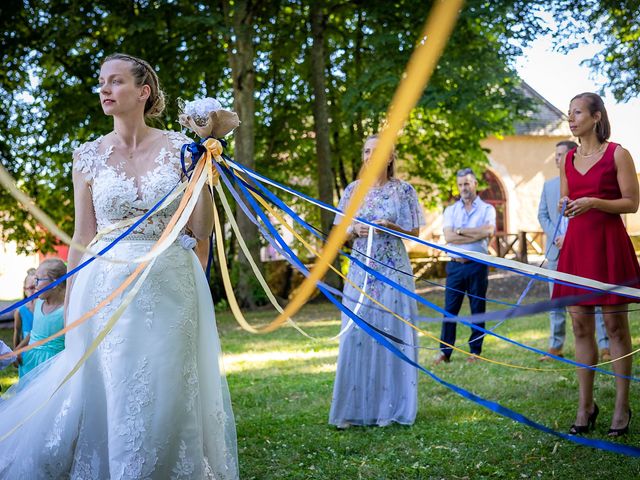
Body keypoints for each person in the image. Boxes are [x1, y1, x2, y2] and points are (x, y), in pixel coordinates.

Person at [0, 53, 238, 477]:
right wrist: (72, 303)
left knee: (168, 381)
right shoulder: (88, 156)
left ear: (143, 92)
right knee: (114, 382)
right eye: (101, 83)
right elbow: (81, 235)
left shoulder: (183, 149)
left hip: (169, 282)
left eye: (115, 82)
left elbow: (200, 230)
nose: (105, 90)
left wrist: (204, 168)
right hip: (105, 286)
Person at [553, 92, 640, 437]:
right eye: (568, 113)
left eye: (576, 113)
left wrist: (594, 202)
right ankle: (585, 405)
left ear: (596, 116)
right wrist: (566, 203)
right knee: (580, 328)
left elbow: (632, 203)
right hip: (577, 249)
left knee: (616, 328)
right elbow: (566, 198)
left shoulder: (619, 153)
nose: (571, 119)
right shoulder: (568, 159)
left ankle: (622, 405)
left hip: (608, 247)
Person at [329, 134, 425, 429]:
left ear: (389, 157)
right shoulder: (352, 191)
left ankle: (390, 408)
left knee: (390, 330)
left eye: (377, 151)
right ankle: (354, 408)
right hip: (361, 272)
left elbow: (415, 232)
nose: (371, 156)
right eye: (366, 151)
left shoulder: (404, 191)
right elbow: (339, 231)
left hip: (394, 270)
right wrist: (353, 230)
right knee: (357, 333)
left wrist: (392, 226)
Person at [537, 141, 610, 362]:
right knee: (556, 302)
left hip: (582, 250)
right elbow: (543, 215)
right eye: (555, 155)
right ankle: (555, 345)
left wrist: (569, 238)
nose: (557, 159)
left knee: (594, 298)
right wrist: (556, 236)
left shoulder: (584, 184)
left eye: (561, 155)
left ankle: (605, 345)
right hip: (556, 253)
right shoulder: (549, 186)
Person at [435, 168, 496, 365]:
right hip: (455, 267)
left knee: (478, 308)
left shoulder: (487, 209)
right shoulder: (450, 210)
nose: (463, 188)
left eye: (467, 184)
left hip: (477, 266)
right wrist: (474, 233)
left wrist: (460, 231)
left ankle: (475, 351)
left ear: (475, 184)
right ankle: (445, 352)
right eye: (460, 184)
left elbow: (488, 231)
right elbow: (449, 237)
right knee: (449, 310)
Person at [15, 259, 66, 377]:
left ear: (55, 283)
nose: (35, 286)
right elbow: (33, 333)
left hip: (53, 365)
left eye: (38, 280)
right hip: (30, 362)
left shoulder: (65, 310)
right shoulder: (37, 304)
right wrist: (18, 349)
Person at [12, 269, 36, 377]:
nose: (33, 291)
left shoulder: (44, 308)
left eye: (35, 287)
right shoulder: (20, 311)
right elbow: (17, 333)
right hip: (26, 353)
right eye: (30, 288)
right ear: (24, 290)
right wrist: (15, 354)